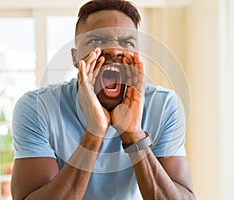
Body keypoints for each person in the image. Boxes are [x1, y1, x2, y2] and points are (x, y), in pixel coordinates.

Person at [11, 0, 195, 199]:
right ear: (75, 57)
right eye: (96, 41)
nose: (113, 50)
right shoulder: (37, 107)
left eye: (126, 43)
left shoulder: (164, 105)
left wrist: (133, 135)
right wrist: (95, 132)